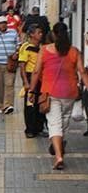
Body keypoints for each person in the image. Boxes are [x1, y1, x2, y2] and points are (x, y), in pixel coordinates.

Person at [30, 23, 88, 170]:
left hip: (50, 93)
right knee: (63, 122)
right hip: (70, 93)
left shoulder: (44, 50)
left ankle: (58, 156)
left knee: (54, 124)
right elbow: (82, 71)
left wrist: (31, 90)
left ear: (54, 35)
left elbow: (36, 72)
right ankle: (59, 146)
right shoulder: (74, 51)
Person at [19, 24, 45, 138]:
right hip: (30, 77)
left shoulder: (42, 47)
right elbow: (22, 65)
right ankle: (29, 129)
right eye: (38, 32)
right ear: (32, 34)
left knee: (40, 103)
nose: (41, 34)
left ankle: (39, 128)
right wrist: (25, 82)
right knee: (30, 104)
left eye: (41, 32)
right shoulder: (26, 47)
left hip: (41, 78)